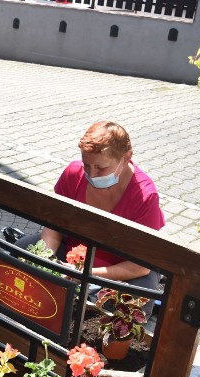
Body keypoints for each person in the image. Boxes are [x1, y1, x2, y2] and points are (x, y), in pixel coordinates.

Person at [17, 120, 165, 293]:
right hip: (71, 257)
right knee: (17, 258)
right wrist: (45, 259)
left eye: (101, 168)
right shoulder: (73, 173)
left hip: (121, 271)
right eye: (86, 165)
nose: (91, 174)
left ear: (126, 158)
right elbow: (53, 226)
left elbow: (139, 267)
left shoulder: (145, 196)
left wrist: (86, 274)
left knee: (133, 305)